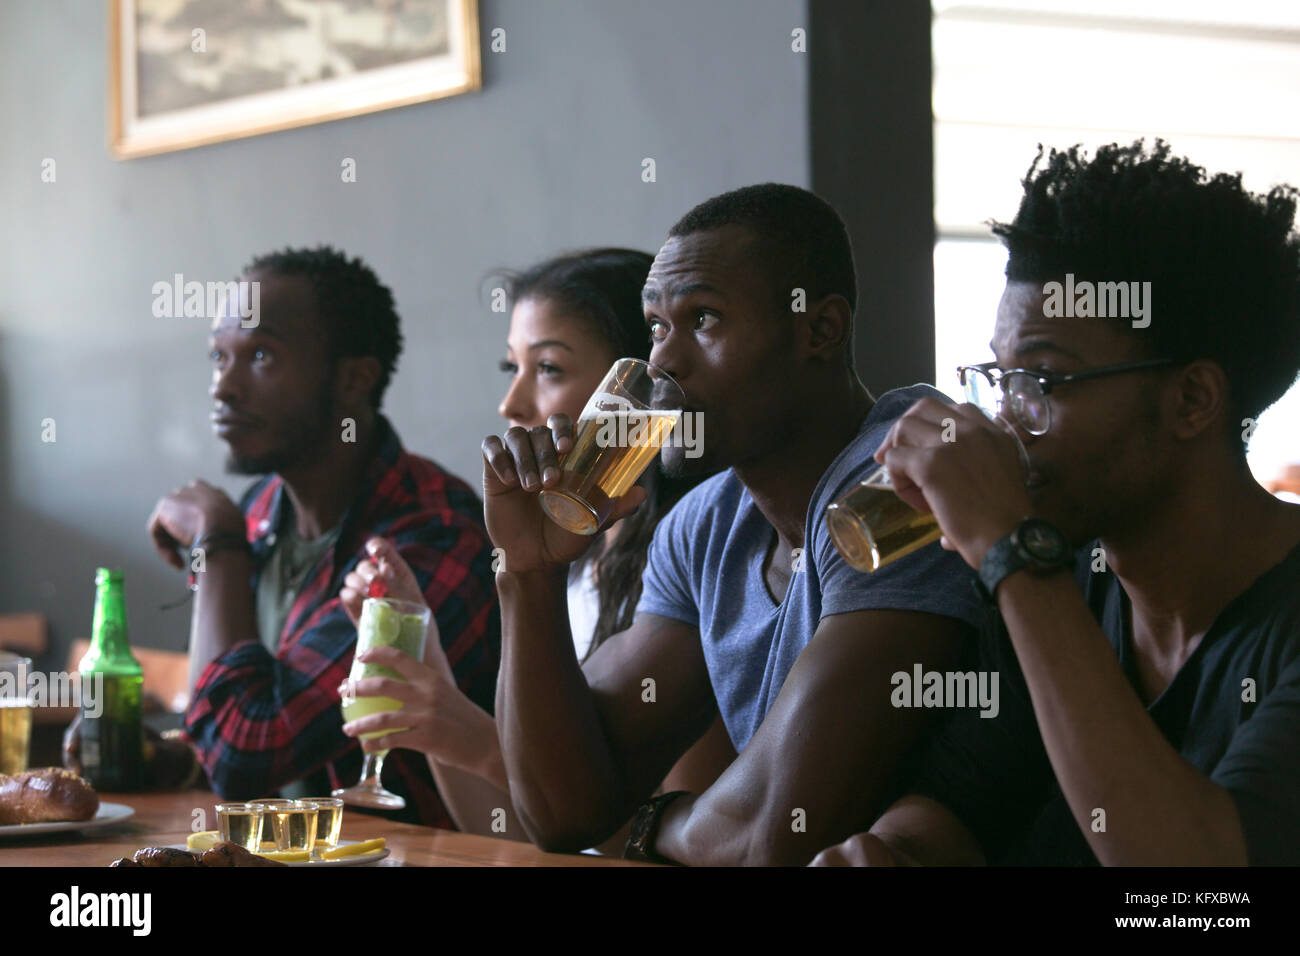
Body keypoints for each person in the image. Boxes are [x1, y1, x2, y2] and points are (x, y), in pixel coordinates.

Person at [812, 140, 1300, 866]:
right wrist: (888, 854)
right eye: (999, 379)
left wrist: (1013, 553)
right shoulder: (1073, 584)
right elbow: (962, 803)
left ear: (1192, 399)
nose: (1006, 420)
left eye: (1042, 380)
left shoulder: (1039, 579)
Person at [483, 184, 992, 865]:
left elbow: (778, 837)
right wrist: (529, 569)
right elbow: (563, 810)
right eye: (658, 326)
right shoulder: (708, 522)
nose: (663, 360)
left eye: (705, 320)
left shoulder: (903, 485)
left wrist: (644, 826)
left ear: (820, 329)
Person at [337, 249, 735, 840]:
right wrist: (434, 680)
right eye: (512, 368)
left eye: (547, 368)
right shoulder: (570, 566)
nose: (512, 404)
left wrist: (472, 737)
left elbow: (673, 838)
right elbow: (510, 833)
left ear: (639, 386)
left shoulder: (694, 564)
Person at [144, 245, 500, 828]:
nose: (222, 388)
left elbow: (244, 756)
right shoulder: (260, 510)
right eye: (217, 356)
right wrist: (155, 758)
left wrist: (218, 545)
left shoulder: (433, 537)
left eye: (260, 355)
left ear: (355, 378)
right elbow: (217, 739)